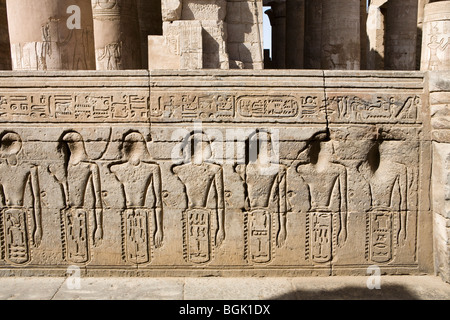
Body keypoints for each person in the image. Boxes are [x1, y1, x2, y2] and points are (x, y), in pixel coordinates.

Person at [110, 131, 163, 264]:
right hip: (128, 214)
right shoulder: (118, 168)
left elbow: (158, 201)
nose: (133, 148)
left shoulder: (152, 168)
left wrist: (159, 228)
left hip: (142, 215)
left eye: (136, 145)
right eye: (129, 144)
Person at [172, 131, 225, 264]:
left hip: (203, 216)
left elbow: (220, 201)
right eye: (207, 146)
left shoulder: (214, 169)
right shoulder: (181, 170)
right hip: (192, 216)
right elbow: (220, 201)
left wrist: (221, 228)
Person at [0, 132, 42, 264]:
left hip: (20, 216)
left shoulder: (28, 168)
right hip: (8, 216)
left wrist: (38, 227)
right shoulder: (2, 169)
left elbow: (37, 200)